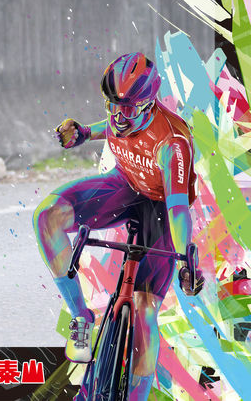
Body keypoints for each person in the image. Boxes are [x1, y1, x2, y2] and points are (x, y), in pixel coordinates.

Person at [33, 52, 205, 401]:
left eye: (128, 109)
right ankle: (81, 317)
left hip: (162, 209)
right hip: (124, 186)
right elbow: (110, 126)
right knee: (46, 216)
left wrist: (187, 260)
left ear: (149, 104)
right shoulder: (122, 113)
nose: (119, 117)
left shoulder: (172, 143)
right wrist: (83, 133)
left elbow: (177, 209)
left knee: (143, 312)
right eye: (113, 106)